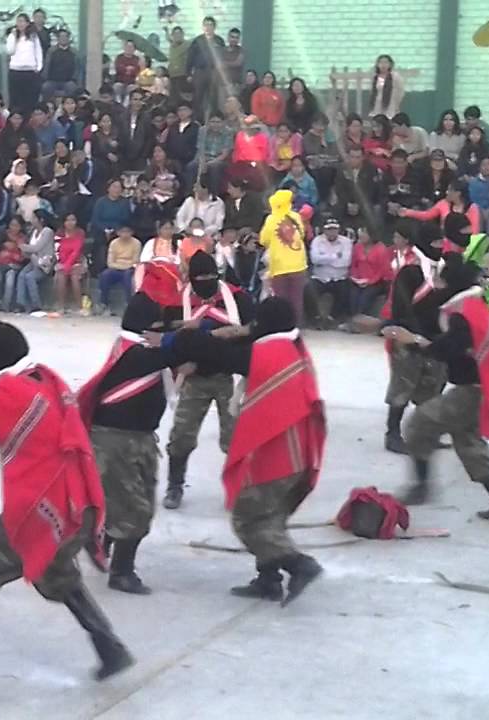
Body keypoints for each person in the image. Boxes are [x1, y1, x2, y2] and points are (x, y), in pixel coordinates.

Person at [0, 322, 134, 708]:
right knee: (57, 573)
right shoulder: (42, 378)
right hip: (76, 506)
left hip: (41, 512)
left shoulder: (6, 395)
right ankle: (109, 647)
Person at [161, 297, 326, 603]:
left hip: (279, 456)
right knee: (270, 517)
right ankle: (268, 580)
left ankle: (299, 565)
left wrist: (188, 334)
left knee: (247, 519)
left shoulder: (269, 353)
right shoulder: (291, 345)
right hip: (297, 450)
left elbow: (216, 353)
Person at [390, 254, 489, 520]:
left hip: (470, 390)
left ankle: (421, 487)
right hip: (479, 388)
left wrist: (416, 343)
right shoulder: (472, 308)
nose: (438, 283)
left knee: (418, 425)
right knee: (469, 445)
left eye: (442, 279)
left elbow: (449, 348)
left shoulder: (462, 315)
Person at [77, 293, 178, 594]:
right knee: (136, 510)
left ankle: (103, 541)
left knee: (129, 502)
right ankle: (121, 571)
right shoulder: (137, 355)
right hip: (116, 443)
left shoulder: (133, 349)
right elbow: (179, 351)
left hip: (138, 440)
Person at [161, 252, 254, 509]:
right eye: (200, 278)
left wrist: (215, 335)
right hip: (194, 379)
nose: (206, 281)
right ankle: (175, 485)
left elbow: (253, 329)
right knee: (181, 436)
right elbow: (165, 334)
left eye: (210, 277)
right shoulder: (179, 299)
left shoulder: (236, 298)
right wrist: (178, 361)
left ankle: (241, 489)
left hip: (229, 378)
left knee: (235, 439)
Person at [380, 265, 446, 454]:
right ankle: (392, 434)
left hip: (433, 337)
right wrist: (411, 334)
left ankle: (425, 434)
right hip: (407, 338)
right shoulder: (411, 271)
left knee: (431, 389)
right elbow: (401, 306)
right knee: (402, 389)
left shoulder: (441, 267)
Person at [258, 189, 308, 326]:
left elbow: (263, 240)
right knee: (296, 299)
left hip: (279, 266)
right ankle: (296, 325)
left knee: (281, 299)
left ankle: (282, 325)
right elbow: (302, 234)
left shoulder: (271, 219)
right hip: (298, 264)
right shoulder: (296, 217)